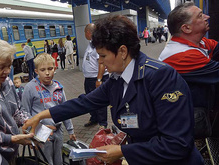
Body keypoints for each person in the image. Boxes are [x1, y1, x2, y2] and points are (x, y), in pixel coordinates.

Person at [23, 15, 204, 165]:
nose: (100, 62)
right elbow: (84, 102)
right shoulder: (117, 79)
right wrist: (41, 115)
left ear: (123, 51)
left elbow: (176, 144)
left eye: (103, 56)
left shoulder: (162, 78)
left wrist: (122, 151)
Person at [158, 3, 219, 110]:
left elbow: (216, 47)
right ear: (186, 28)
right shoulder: (181, 55)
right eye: (200, 16)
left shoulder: (200, 42)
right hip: (187, 117)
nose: (207, 17)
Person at [21, 53, 76, 165]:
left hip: (58, 131)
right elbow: (25, 113)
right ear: (36, 71)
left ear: (55, 68)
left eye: (50, 69)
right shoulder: (30, 88)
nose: (47, 73)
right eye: (42, 70)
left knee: (59, 161)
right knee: (46, 162)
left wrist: (70, 130)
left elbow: (65, 110)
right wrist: (36, 132)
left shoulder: (58, 87)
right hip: (42, 133)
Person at [82, 23, 109, 129]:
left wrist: (99, 79)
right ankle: (94, 118)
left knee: (100, 100)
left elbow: (101, 63)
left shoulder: (98, 44)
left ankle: (103, 124)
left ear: (88, 32)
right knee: (90, 100)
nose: (84, 34)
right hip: (89, 78)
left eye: (85, 32)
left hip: (96, 78)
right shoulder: (91, 44)